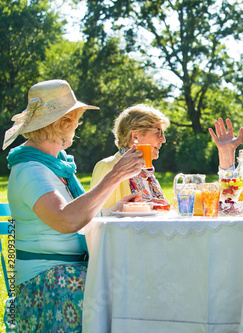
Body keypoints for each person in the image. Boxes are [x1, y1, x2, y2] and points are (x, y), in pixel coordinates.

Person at [3, 79, 145, 332]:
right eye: (76, 119)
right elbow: (66, 220)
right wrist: (114, 176)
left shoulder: (56, 165)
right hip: (48, 279)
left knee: (136, 285)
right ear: (63, 123)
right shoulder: (30, 170)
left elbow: (78, 214)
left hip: (68, 270)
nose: (78, 125)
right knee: (128, 297)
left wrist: (113, 209)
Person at [90, 104, 170, 208]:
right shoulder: (107, 167)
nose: (163, 140)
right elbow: (97, 218)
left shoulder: (147, 173)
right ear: (135, 136)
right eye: (158, 133)